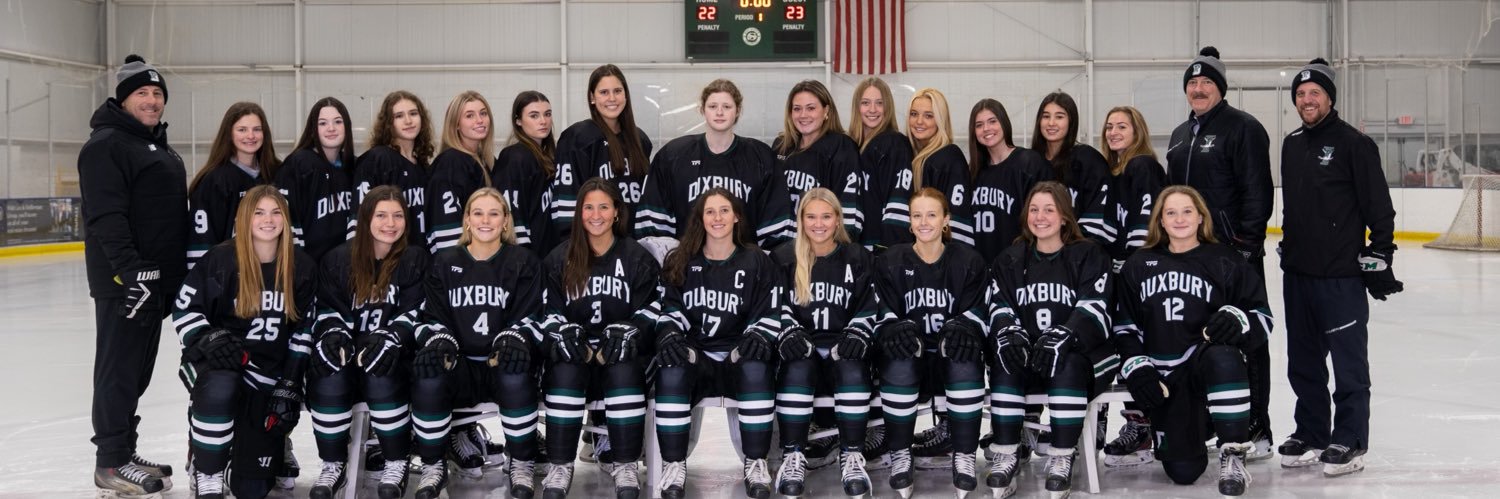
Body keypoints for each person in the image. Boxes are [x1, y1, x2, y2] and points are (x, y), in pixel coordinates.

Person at [1279, 58, 1401, 477]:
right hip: (1297, 274)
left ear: (1330, 98)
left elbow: (1379, 210)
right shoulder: (1292, 143)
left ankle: (1349, 437)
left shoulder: (1354, 144)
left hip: (1340, 277)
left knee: (1348, 363)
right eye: (1300, 94)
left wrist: (1379, 257)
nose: (1307, 100)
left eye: (1314, 93)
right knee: (1304, 361)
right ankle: (1311, 431)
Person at [1112, 185, 1273, 496]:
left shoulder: (1224, 260)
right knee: (1183, 472)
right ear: (1160, 221)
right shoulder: (1138, 264)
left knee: (1224, 356)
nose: (1180, 218)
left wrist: (1238, 321)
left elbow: (1263, 319)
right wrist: (1138, 368)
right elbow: (1124, 328)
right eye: (1170, 212)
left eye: (1187, 211)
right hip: (1166, 380)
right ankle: (1204, 425)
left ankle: (1233, 452)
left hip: (1204, 368)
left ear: (1201, 217)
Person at [80, 54, 184, 497]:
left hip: (153, 281)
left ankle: (126, 448)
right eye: (142, 92)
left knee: (137, 371)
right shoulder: (106, 145)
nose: (152, 100)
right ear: (123, 99)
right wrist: (130, 274)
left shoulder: (154, 144)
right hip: (128, 283)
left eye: (158, 93)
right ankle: (110, 463)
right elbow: (106, 217)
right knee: (118, 369)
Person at [172, 186, 316, 499]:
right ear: (245, 218)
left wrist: (290, 381)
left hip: (267, 371)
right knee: (220, 388)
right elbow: (184, 308)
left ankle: (260, 446)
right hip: (221, 364)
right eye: (259, 212)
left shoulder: (301, 266)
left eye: (276, 212)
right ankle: (206, 466)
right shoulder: (223, 258)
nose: (269, 219)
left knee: (252, 489)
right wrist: (207, 336)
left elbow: (303, 330)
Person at [1166, 46, 1275, 457]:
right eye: (1192, 83)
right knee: (1205, 335)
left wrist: (1246, 247)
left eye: (1206, 82)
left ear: (1220, 88)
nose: (1198, 89)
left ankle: (1257, 425)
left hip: (1234, 253)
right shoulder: (1179, 135)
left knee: (1247, 336)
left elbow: (1256, 191)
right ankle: (1216, 419)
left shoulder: (1242, 127)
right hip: (1194, 254)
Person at [410, 188, 544, 499]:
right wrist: (439, 339)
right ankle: (433, 464)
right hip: (460, 365)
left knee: (516, 370)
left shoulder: (523, 261)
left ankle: (521, 460)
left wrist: (514, 338)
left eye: (494, 213)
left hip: (500, 363)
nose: (486, 220)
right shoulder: (444, 262)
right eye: (478, 213)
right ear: (467, 220)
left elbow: (532, 316)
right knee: (428, 375)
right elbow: (430, 317)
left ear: (506, 221)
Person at [985, 181, 1115, 498]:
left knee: (1067, 364)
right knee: (1007, 357)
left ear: (1064, 216)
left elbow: (1097, 307)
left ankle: (1061, 456)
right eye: (1034, 209)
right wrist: (1009, 332)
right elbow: (998, 303)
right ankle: (1006, 453)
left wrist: (1066, 335)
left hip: (1080, 359)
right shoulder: (1011, 258)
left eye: (1049, 209)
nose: (1040, 217)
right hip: (1033, 357)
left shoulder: (1088, 254)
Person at [652, 189, 785, 499]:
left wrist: (756, 336)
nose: (717, 218)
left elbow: (769, 311)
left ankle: (755, 462)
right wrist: (671, 334)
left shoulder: (757, 261)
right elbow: (669, 311)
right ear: (700, 218)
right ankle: (673, 465)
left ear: (737, 216)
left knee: (756, 366)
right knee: (671, 370)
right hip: (697, 357)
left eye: (724, 210)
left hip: (739, 355)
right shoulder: (681, 260)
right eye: (710, 212)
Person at [536, 178, 663, 498]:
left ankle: (626, 464)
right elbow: (547, 312)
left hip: (620, 355)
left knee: (624, 368)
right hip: (577, 354)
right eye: (588, 207)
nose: (596, 214)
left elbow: (652, 309)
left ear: (617, 212)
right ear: (579, 213)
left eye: (604, 207)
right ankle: (560, 464)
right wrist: (562, 331)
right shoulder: (559, 257)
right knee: (564, 369)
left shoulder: (636, 256)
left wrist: (631, 328)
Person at [305, 186, 430, 499]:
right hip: (351, 351)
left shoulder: (415, 258)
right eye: (382, 215)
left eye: (398, 215)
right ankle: (333, 463)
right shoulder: (338, 259)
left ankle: (396, 460)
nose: (390, 223)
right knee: (327, 371)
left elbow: (416, 310)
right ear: (365, 219)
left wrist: (391, 337)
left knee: (380, 369)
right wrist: (334, 335)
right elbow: (329, 309)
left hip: (395, 355)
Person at [871, 188, 989, 498]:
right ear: (909, 222)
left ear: (946, 220)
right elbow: (883, 314)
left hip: (949, 359)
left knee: (964, 354)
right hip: (912, 360)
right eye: (917, 215)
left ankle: (963, 454)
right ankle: (900, 453)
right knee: (899, 356)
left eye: (932, 214)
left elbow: (977, 313)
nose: (924, 222)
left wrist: (963, 327)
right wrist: (895, 328)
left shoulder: (968, 261)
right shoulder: (890, 261)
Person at [769, 188, 883, 498]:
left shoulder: (857, 256)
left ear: (837, 220)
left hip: (840, 346)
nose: (818, 224)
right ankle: (793, 456)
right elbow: (772, 305)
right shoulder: (783, 257)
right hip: (804, 349)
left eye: (826, 216)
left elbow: (870, 305)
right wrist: (788, 331)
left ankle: (852, 455)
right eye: (811, 217)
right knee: (796, 367)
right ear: (801, 220)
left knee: (852, 368)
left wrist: (858, 332)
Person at [637, 78, 794, 248]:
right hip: (687, 265)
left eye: (727, 107)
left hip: (745, 266)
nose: (719, 112)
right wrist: (671, 261)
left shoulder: (761, 158)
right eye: (712, 106)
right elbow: (653, 232)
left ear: (738, 110)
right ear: (702, 110)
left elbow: (776, 230)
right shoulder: (673, 156)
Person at [1097, 106, 1168, 468]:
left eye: (1121, 126)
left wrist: (1132, 264)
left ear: (1137, 130)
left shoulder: (1142, 166)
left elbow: (1148, 216)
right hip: (1121, 272)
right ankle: (1132, 422)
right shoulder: (1118, 171)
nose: (1113, 132)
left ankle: (1143, 427)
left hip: (1138, 274)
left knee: (1136, 342)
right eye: (1109, 126)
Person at [550, 64, 654, 244]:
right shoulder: (577, 138)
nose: (612, 98)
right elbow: (565, 202)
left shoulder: (640, 140)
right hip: (591, 246)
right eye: (604, 92)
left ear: (626, 95)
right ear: (592, 97)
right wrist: (572, 246)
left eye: (617, 91)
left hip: (631, 246)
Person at [187, 102, 280, 269]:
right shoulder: (214, 180)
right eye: (242, 129)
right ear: (229, 133)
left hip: (271, 272)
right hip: (232, 273)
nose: (250, 136)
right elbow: (203, 240)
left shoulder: (276, 174)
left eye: (256, 129)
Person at [773, 80, 864, 239]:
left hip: (822, 247)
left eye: (811, 108)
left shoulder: (841, 146)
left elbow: (849, 209)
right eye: (797, 109)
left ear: (826, 110)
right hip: (785, 248)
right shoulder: (781, 146)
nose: (803, 115)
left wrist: (836, 252)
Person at [968, 98, 1053, 263]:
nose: (986, 128)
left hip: (1020, 266)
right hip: (983, 268)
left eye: (992, 121)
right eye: (979, 125)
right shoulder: (973, 173)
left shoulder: (1030, 163)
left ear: (1004, 123)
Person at [276, 97, 357, 262]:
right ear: (313, 129)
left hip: (346, 269)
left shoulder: (354, 166)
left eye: (338, 122)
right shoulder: (299, 164)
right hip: (310, 268)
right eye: (323, 123)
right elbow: (287, 220)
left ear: (347, 126)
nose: (331, 128)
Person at [1030, 91, 1112, 247]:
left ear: (1071, 122)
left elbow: (1097, 213)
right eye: (1046, 116)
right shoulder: (1031, 162)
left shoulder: (1088, 159)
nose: (1051, 123)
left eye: (1059, 117)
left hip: (1078, 253)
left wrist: (1073, 247)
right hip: (1040, 253)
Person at [357, 90, 434, 247]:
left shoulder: (423, 166)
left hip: (418, 256)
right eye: (399, 116)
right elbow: (361, 215)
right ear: (388, 123)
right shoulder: (378, 159)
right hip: (387, 256)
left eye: (413, 113)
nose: (408, 121)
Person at [847, 77, 914, 252]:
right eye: (865, 103)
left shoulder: (894, 144)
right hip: (854, 250)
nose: (872, 109)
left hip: (879, 250)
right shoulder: (850, 147)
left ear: (888, 107)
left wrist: (888, 252)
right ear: (857, 107)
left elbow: (898, 203)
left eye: (879, 103)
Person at [905, 88, 975, 248]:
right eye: (914, 114)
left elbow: (957, 218)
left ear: (940, 120)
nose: (919, 121)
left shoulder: (949, 157)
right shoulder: (914, 157)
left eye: (929, 116)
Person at [428, 91, 496, 251]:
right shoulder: (450, 162)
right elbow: (444, 226)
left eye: (483, 113)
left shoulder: (486, 160)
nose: (479, 120)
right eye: (469, 115)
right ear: (456, 124)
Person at [494, 90, 557, 251]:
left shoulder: (550, 156)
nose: (543, 121)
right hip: (527, 257)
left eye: (547, 114)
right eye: (534, 116)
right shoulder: (514, 157)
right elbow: (510, 211)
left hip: (548, 254)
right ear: (519, 121)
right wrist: (522, 257)